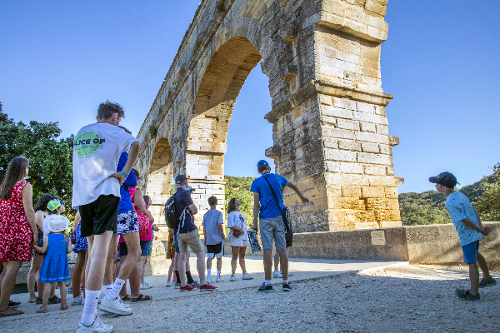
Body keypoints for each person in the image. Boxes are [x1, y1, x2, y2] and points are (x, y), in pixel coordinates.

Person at [72, 101, 139, 332]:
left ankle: (92, 313)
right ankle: (88, 320)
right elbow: (136, 144)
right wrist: (124, 172)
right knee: (102, 252)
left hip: (83, 196)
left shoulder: (82, 132)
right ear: (115, 116)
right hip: (105, 193)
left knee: (94, 254)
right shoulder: (115, 130)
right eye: (119, 118)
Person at [429, 171, 496, 300]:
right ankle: (487, 278)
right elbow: (473, 210)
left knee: (471, 262)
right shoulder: (461, 195)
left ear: (444, 187)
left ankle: (473, 293)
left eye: (437, 184)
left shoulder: (450, 202)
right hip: (474, 232)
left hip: (467, 234)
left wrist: (479, 228)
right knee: (476, 254)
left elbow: (464, 220)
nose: (435, 186)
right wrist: (480, 228)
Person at [251, 160, 309, 292]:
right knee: (282, 249)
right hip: (279, 218)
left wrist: (254, 223)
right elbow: (293, 186)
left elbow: (256, 205)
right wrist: (302, 197)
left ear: (259, 171)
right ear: (269, 168)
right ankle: (285, 282)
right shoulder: (278, 178)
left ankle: (268, 283)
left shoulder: (256, 183)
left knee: (267, 250)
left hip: (265, 219)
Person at [0, 156, 37, 317]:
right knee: (13, 268)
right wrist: (35, 231)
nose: (28, 170)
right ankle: (3, 307)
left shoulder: (3, 187)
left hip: (4, 229)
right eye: (27, 167)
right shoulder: (25, 186)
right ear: (23, 169)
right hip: (19, 229)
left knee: (5, 268)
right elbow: (29, 211)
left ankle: (2, 302)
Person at [174, 175, 217, 291]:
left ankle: (183, 284)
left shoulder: (175, 195)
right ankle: (203, 283)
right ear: (185, 182)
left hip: (179, 231)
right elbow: (194, 210)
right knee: (201, 254)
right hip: (188, 228)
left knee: (182, 256)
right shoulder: (184, 194)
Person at [117, 177, 156, 301]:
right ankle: (135, 292)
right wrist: (150, 217)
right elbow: (141, 208)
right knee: (137, 259)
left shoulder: (119, 190)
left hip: (121, 225)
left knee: (123, 259)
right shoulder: (135, 190)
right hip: (137, 228)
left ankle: (121, 293)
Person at [33, 214, 72, 313]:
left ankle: (44, 306)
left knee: (49, 283)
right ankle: (63, 304)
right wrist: (62, 252)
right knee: (62, 283)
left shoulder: (49, 237)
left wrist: (34, 247)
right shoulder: (66, 237)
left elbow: (43, 250)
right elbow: (69, 250)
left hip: (50, 261)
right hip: (62, 261)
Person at [27, 194, 58, 304]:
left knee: (44, 269)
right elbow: (42, 227)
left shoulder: (51, 214)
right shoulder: (39, 213)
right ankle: (32, 295)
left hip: (49, 242)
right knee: (35, 268)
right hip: (40, 242)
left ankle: (48, 294)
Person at [227, 198, 253, 282]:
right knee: (235, 255)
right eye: (237, 200)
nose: (239, 201)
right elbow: (230, 225)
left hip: (243, 236)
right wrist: (240, 230)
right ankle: (233, 274)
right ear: (234, 204)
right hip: (236, 236)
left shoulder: (241, 213)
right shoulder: (231, 214)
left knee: (242, 255)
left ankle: (244, 272)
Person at [202, 196, 225, 283]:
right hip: (217, 238)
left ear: (208, 203)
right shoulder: (219, 213)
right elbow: (220, 224)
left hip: (209, 239)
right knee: (219, 257)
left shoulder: (206, 214)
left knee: (210, 257)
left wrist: (205, 237)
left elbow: (204, 227)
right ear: (217, 203)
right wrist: (222, 233)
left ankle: (209, 276)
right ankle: (218, 276)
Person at [71, 211, 88, 305]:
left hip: (81, 228)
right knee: (89, 261)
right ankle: (87, 297)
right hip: (90, 225)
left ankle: (76, 296)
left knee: (79, 262)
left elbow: (76, 220)